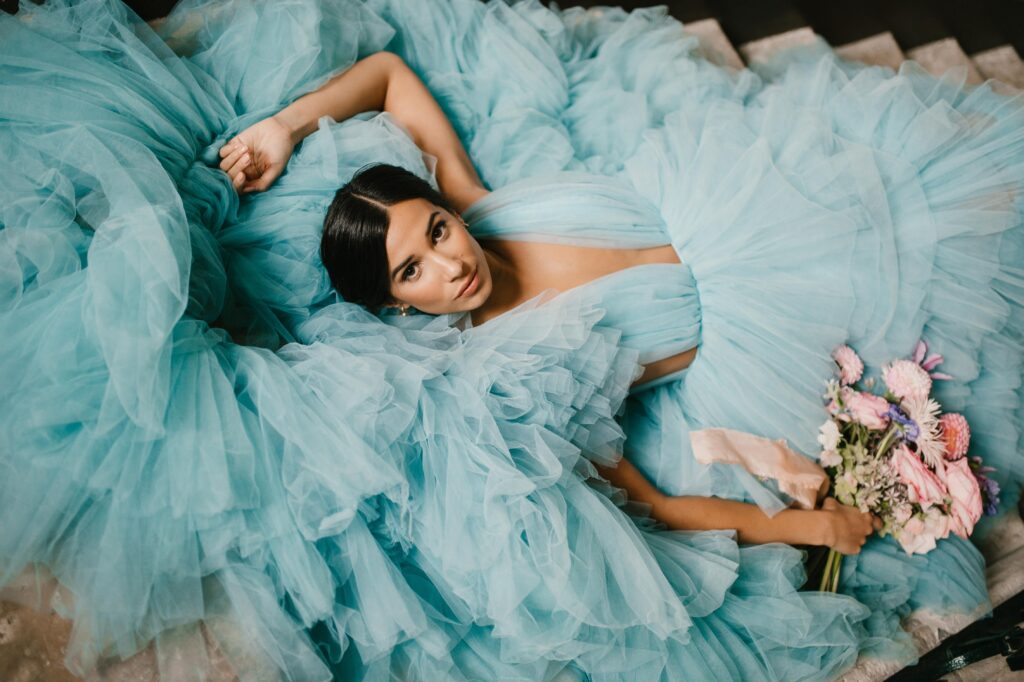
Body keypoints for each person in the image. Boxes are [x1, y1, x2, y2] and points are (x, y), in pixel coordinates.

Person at [1, 0, 1020, 681]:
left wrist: (284, 127)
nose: (449, 265)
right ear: (401, 310)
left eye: (433, 232)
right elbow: (654, 504)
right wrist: (810, 530)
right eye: (414, 272)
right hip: (754, 350)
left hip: (741, 209)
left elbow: (393, 76)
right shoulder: (520, 369)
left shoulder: (485, 202)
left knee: (931, 194)